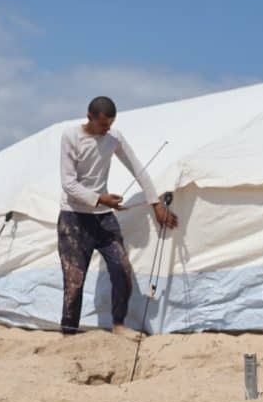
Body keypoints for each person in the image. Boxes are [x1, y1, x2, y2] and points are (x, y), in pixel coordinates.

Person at [58, 96, 177, 337]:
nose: (107, 129)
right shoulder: (70, 136)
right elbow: (68, 184)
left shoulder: (114, 138)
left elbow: (138, 169)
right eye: (103, 124)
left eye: (111, 124)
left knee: (122, 269)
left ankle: (118, 325)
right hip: (73, 218)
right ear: (89, 116)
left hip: (103, 218)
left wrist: (155, 204)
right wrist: (101, 198)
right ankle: (69, 331)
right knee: (74, 281)